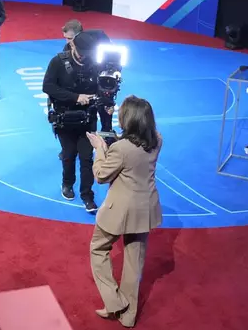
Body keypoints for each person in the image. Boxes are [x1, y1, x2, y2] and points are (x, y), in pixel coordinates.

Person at [86, 95, 162, 328]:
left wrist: (100, 149)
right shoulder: (157, 140)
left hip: (119, 211)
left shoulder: (120, 148)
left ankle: (114, 302)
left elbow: (100, 175)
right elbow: (134, 155)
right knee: (134, 261)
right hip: (145, 209)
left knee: (98, 249)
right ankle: (128, 316)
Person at [42, 31, 100, 212]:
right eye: (80, 51)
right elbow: (48, 86)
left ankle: (87, 195)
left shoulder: (95, 63)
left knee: (86, 158)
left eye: (87, 53)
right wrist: (76, 97)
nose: (83, 56)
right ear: (72, 46)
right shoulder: (58, 61)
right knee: (68, 155)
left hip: (88, 119)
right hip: (65, 118)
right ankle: (67, 184)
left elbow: (103, 88)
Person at [62, 19, 114, 135]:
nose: (67, 42)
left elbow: (112, 62)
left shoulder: (100, 42)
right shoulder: (67, 49)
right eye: (65, 38)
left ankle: (108, 135)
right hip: (84, 89)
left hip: (101, 83)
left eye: (70, 38)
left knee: (105, 114)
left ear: (79, 35)